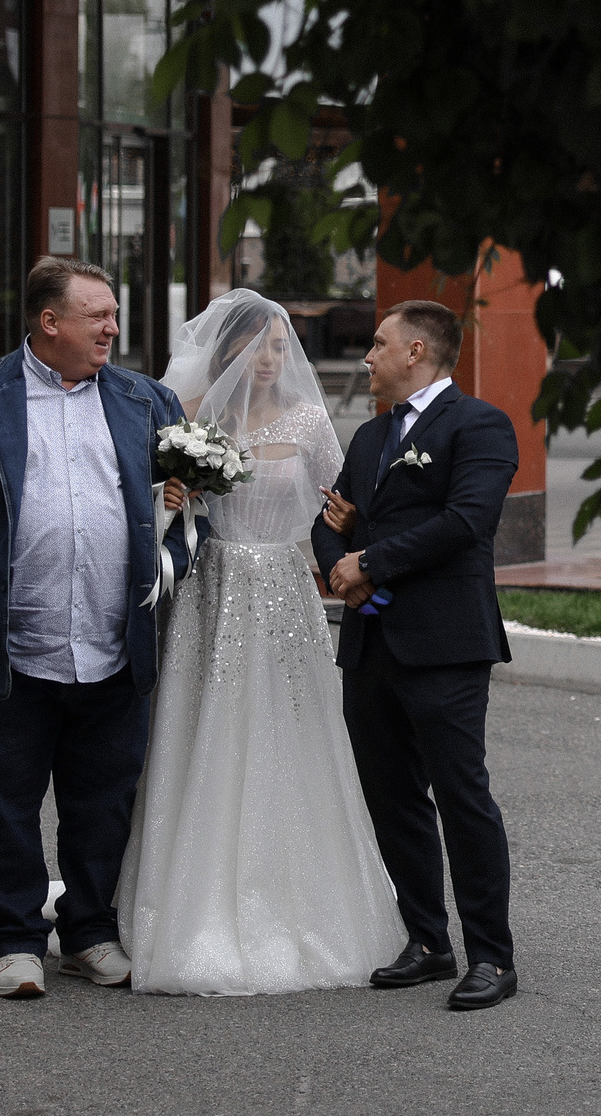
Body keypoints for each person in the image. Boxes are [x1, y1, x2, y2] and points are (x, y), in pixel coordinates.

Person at [0, 256, 200, 1000]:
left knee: (105, 797)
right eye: (99, 316)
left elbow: (189, 505)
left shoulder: (146, 400)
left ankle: (89, 931)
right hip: (8, 642)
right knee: (2, 796)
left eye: (115, 315)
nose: (113, 329)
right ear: (49, 321)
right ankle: (16, 939)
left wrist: (166, 570)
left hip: (113, 639)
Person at [113, 291, 404, 994]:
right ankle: (191, 896)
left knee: (289, 731)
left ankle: (298, 896)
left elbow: (341, 503)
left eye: (280, 346)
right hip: (212, 588)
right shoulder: (195, 420)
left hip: (281, 586)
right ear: (228, 351)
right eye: (258, 345)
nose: (271, 359)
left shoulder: (309, 421)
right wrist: (171, 498)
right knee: (204, 728)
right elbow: (156, 501)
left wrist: (350, 558)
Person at [314, 297, 522, 1011]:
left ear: (416, 353)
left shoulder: (479, 425)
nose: (366, 356)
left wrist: (367, 558)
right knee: (392, 795)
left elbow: (467, 521)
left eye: (377, 344)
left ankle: (492, 955)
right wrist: (345, 565)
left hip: (444, 644)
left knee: (462, 796)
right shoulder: (370, 438)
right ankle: (428, 941)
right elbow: (331, 516)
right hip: (370, 642)